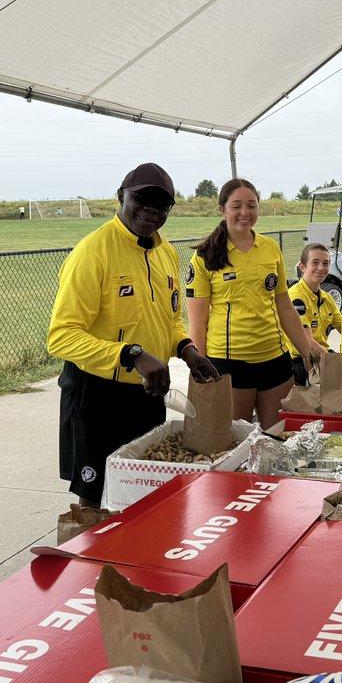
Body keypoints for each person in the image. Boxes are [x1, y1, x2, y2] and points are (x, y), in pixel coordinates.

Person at [47, 163, 220, 508]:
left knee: (140, 492)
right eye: (142, 199)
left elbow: (169, 320)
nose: (152, 210)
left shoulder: (165, 253)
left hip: (148, 392)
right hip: (97, 396)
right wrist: (131, 355)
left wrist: (188, 350)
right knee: (95, 499)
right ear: (121, 196)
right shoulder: (92, 252)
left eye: (162, 204)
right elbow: (61, 336)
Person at [186, 179, 319, 426]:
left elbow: (285, 307)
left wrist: (306, 351)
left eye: (252, 205)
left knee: (277, 436)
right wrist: (199, 369)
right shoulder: (204, 256)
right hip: (229, 364)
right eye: (236, 206)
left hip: (275, 360)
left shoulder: (270, 248)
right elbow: (197, 322)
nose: (245, 212)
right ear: (222, 209)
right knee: (235, 441)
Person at [285, 243, 342, 384]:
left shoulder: (326, 298)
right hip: (301, 360)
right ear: (302, 267)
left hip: (322, 355)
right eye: (315, 262)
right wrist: (334, 363)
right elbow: (307, 342)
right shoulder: (296, 297)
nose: (321, 268)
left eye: (326, 263)